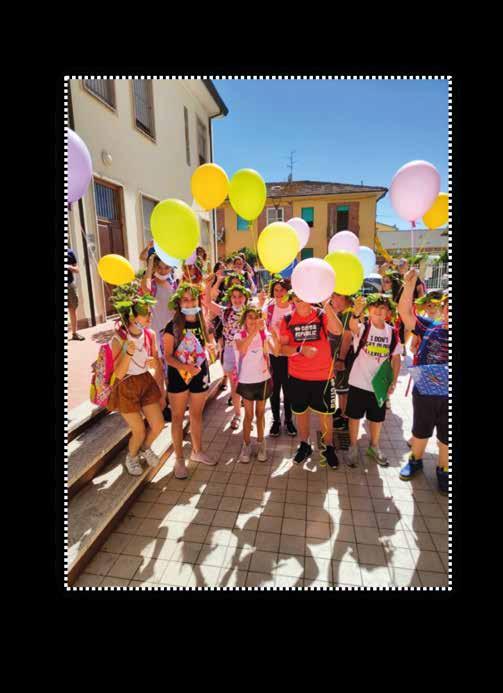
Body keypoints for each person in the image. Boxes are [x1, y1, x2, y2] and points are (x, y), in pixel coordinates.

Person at [279, 293, 344, 469]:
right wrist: (300, 349)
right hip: (297, 376)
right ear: (292, 299)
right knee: (301, 413)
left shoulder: (321, 314)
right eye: (296, 295)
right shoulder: (287, 319)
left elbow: (338, 330)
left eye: (303, 294)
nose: (300, 298)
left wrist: (325, 303)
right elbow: (282, 349)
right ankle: (304, 445)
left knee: (326, 414)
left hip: (323, 376)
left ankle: (329, 448)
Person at [398, 270, 449, 495]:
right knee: (420, 429)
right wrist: (409, 285)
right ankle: (415, 461)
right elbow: (405, 312)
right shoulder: (430, 326)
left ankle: (444, 469)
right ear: (443, 309)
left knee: (446, 437)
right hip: (426, 390)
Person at [163, 283, 218, 479]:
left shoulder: (204, 323)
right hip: (178, 376)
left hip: (199, 375)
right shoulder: (172, 326)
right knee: (178, 417)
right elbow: (167, 356)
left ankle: (197, 451)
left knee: (196, 415)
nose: (190, 303)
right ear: (179, 303)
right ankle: (179, 459)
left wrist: (213, 348)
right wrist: (186, 368)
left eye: (193, 299)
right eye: (185, 299)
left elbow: (212, 344)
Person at [108, 291, 165, 476]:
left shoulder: (150, 334)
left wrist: (154, 364)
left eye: (149, 312)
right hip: (126, 386)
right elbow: (118, 373)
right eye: (145, 313)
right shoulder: (118, 339)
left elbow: (156, 363)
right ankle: (131, 457)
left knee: (158, 424)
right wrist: (128, 353)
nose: (150, 316)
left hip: (145, 382)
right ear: (132, 317)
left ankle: (145, 448)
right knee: (138, 430)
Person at [344, 293, 402, 468]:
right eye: (375, 306)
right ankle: (353, 446)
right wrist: (356, 313)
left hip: (379, 385)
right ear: (369, 310)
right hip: (358, 382)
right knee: (354, 417)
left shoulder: (392, 333)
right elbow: (352, 326)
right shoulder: (364, 328)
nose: (378, 310)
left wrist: (393, 381)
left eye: (383, 308)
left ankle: (374, 446)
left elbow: (396, 358)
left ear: (388, 312)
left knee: (377, 419)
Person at [234, 307, 280, 463]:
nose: (253, 320)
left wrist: (273, 335)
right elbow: (242, 349)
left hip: (263, 380)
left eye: (256, 317)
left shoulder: (264, 334)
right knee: (248, 415)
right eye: (250, 317)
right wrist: (255, 332)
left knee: (260, 414)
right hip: (246, 381)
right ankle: (246, 444)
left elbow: (276, 352)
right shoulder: (239, 335)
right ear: (244, 319)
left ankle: (261, 443)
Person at [208, 284, 251, 429]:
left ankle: (249, 417)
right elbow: (207, 303)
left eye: (240, 297)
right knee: (234, 385)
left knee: (247, 384)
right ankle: (238, 414)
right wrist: (208, 285)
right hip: (230, 351)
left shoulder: (250, 312)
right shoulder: (225, 312)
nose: (237, 300)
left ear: (245, 297)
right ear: (230, 298)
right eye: (234, 297)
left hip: (246, 351)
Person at [141, 253, 178, 421]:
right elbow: (145, 289)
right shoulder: (152, 285)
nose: (163, 271)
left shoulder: (174, 284)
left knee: (172, 371)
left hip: (172, 334)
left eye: (166, 267)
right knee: (160, 372)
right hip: (156, 334)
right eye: (159, 267)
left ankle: (170, 401)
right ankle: (162, 405)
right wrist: (150, 261)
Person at [260, 278, 297, 437]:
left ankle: (289, 421)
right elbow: (263, 328)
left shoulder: (294, 306)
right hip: (273, 354)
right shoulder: (268, 307)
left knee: (289, 390)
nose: (279, 293)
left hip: (289, 354)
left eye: (282, 290)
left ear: (288, 291)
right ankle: (276, 420)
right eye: (276, 290)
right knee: (274, 389)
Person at [327, 293, 354, 431]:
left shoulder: (349, 313)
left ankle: (345, 417)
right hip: (338, 355)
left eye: (335, 296)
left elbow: (347, 338)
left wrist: (341, 359)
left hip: (345, 356)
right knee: (340, 386)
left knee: (344, 388)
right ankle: (341, 410)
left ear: (344, 297)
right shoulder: (342, 312)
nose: (332, 300)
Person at [67, 248, 85, 341]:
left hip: (69, 285)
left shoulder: (69, 252)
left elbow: (77, 269)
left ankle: (74, 334)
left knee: (72, 309)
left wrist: (69, 267)